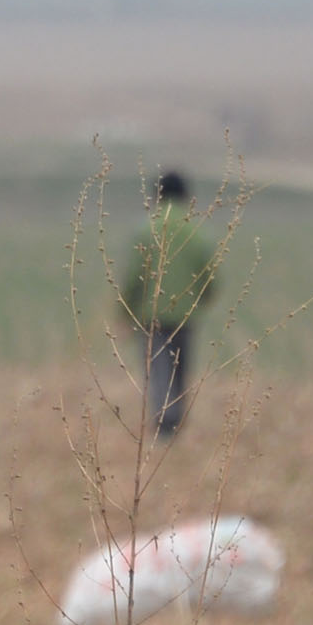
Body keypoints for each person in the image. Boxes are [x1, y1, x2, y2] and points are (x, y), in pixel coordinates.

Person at [121, 170, 216, 440]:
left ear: (157, 195)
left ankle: (163, 424)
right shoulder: (196, 231)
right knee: (180, 368)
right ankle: (176, 421)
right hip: (186, 315)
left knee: (157, 367)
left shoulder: (146, 229)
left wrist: (125, 310)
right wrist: (204, 298)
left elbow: (133, 277)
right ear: (187, 195)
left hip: (151, 314)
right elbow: (208, 273)